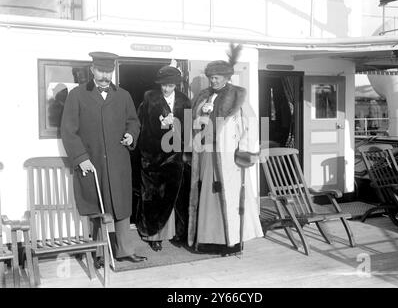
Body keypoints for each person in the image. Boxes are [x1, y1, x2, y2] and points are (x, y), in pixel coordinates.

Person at [61, 51, 147, 267]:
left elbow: (133, 122)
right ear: (92, 70)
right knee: (97, 206)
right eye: (101, 70)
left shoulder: (124, 96)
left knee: (121, 206)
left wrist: (131, 135)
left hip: (118, 162)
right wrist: (81, 158)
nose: (105, 76)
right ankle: (99, 254)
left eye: (109, 71)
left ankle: (124, 250)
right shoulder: (77, 95)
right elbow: (68, 131)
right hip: (93, 161)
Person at [187, 44, 263, 255]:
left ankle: (231, 241)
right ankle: (208, 240)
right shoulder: (203, 97)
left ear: (227, 77)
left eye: (217, 77)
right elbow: (196, 124)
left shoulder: (238, 97)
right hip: (207, 154)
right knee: (208, 194)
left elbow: (251, 125)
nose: (214, 81)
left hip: (229, 158)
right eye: (211, 77)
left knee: (228, 196)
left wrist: (245, 152)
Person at [135, 64, 191, 251]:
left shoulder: (184, 101)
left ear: (176, 84)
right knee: (152, 197)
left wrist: (174, 127)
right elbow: (140, 124)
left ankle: (177, 233)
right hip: (152, 156)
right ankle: (153, 235)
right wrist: (159, 127)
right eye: (163, 85)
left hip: (174, 156)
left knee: (173, 196)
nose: (166, 89)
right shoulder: (150, 98)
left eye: (170, 85)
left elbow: (189, 130)